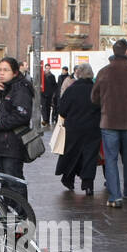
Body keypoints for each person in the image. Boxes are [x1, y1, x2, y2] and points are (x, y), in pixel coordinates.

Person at [90, 38, 127, 208]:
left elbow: (94, 97)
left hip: (109, 121)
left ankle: (115, 195)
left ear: (114, 52)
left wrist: (106, 103)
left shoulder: (103, 72)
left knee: (111, 159)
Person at [0, 56, 33, 192]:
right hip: (1, 143)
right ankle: (8, 213)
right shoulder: (3, 87)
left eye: (6, 70)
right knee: (5, 182)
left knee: (14, 182)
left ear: (15, 72)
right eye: (0, 70)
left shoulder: (21, 89)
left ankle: (21, 213)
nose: (2, 73)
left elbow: (21, 115)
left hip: (13, 143)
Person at [54, 62, 100, 195]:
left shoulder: (71, 90)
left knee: (72, 153)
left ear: (78, 74)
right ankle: (88, 184)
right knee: (90, 156)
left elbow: (62, 110)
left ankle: (68, 179)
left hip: (73, 128)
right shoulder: (96, 90)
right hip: (93, 129)